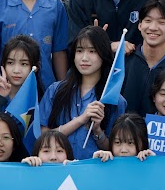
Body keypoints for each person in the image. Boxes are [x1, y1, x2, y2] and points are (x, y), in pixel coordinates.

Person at [37, 26, 126, 160]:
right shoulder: (55, 90)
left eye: (92, 51)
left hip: (94, 173)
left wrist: (97, 130)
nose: (84, 58)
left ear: (103, 55)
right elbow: (41, 137)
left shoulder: (114, 100)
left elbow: (116, 149)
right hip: (58, 170)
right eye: (79, 51)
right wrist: (80, 120)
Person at [125, 0, 165, 114]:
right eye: (148, 21)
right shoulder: (124, 61)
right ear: (139, 25)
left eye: (162, 22)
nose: (153, 27)